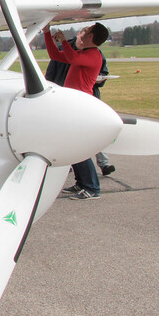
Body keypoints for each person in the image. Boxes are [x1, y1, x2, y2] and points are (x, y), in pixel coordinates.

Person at [42, 22, 110, 200]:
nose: (83, 33)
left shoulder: (94, 55)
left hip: (81, 106)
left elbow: (71, 59)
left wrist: (64, 40)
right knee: (72, 146)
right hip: (73, 105)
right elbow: (55, 55)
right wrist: (47, 33)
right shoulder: (84, 54)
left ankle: (92, 188)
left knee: (79, 148)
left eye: (87, 31)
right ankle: (82, 183)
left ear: (91, 37)